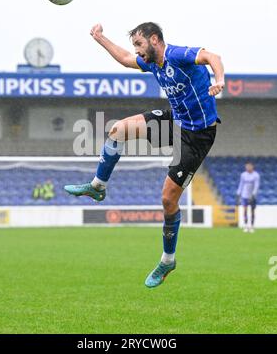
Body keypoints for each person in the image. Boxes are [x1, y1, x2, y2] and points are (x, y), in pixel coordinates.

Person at [65, 22, 225, 288]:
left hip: (198, 135)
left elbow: (212, 57)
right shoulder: (152, 63)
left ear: (154, 39)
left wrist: (219, 80)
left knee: (167, 200)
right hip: (176, 122)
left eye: (139, 44)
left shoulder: (176, 55)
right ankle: (97, 187)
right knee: (118, 129)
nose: (137, 51)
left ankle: (168, 260)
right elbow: (126, 60)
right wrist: (100, 38)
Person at [236, 162, 260, 233]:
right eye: (247, 166)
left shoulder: (256, 175)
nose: (248, 168)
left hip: (252, 196)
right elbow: (241, 184)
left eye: (249, 166)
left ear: (252, 167)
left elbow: (256, 186)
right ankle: (246, 226)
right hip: (244, 195)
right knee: (245, 210)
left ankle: (252, 226)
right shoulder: (243, 175)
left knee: (252, 211)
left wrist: (253, 195)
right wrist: (238, 193)